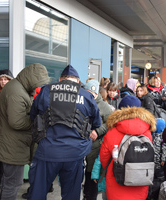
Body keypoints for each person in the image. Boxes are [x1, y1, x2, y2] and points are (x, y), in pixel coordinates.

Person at [28, 65, 101, 200]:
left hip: (47, 151)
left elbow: (33, 116)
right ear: (78, 81)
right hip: (75, 154)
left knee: (37, 193)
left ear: (60, 79)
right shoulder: (86, 95)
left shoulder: (45, 91)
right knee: (71, 195)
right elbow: (97, 123)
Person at [0, 63, 50, 199]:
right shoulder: (17, 92)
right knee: (13, 183)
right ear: (31, 79)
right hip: (12, 146)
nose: (36, 88)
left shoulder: (17, 86)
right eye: (36, 84)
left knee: (8, 182)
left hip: (11, 143)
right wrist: (38, 121)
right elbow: (16, 122)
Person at [100, 95, 156, 200]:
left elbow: (104, 158)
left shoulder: (112, 132)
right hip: (140, 180)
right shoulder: (147, 132)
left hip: (116, 180)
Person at [83, 80, 113, 200]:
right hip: (81, 142)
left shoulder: (104, 106)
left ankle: (90, 197)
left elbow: (110, 123)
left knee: (91, 173)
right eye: (87, 93)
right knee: (84, 172)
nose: (90, 96)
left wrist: (97, 131)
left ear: (97, 94)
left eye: (92, 94)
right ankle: (86, 195)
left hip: (96, 144)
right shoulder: (82, 102)